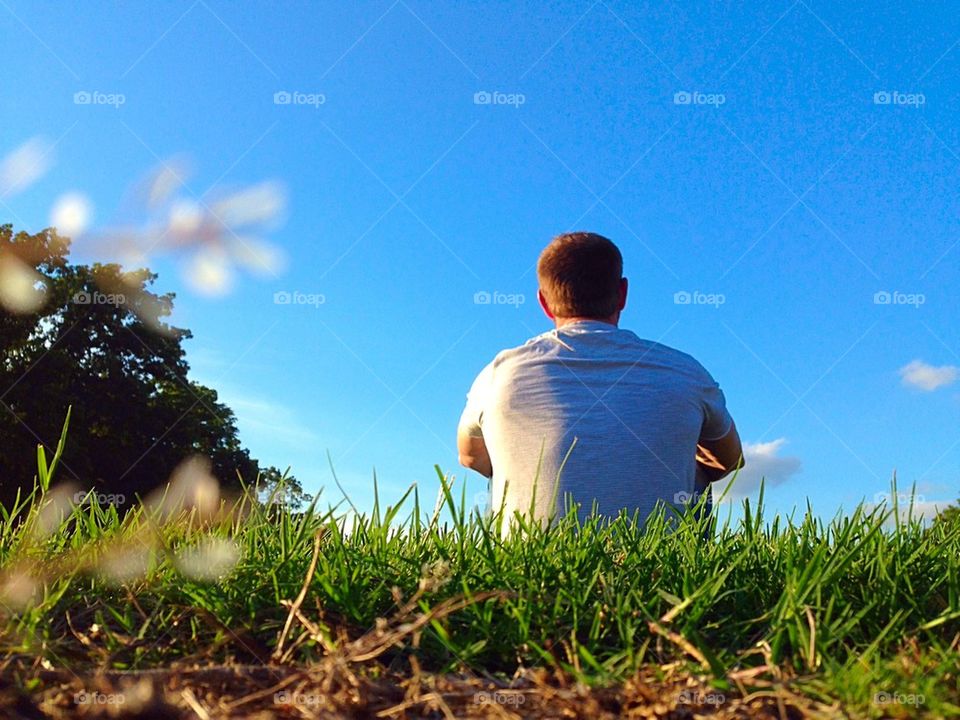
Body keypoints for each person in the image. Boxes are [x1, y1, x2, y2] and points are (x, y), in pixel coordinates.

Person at [457, 232, 743, 534]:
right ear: (622, 294)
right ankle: (682, 565)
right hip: (659, 567)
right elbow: (729, 460)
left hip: (536, 559)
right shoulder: (685, 370)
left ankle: (521, 555)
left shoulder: (499, 373)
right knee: (693, 473)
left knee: (501, 470)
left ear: (543, 302)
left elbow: (470, 456)